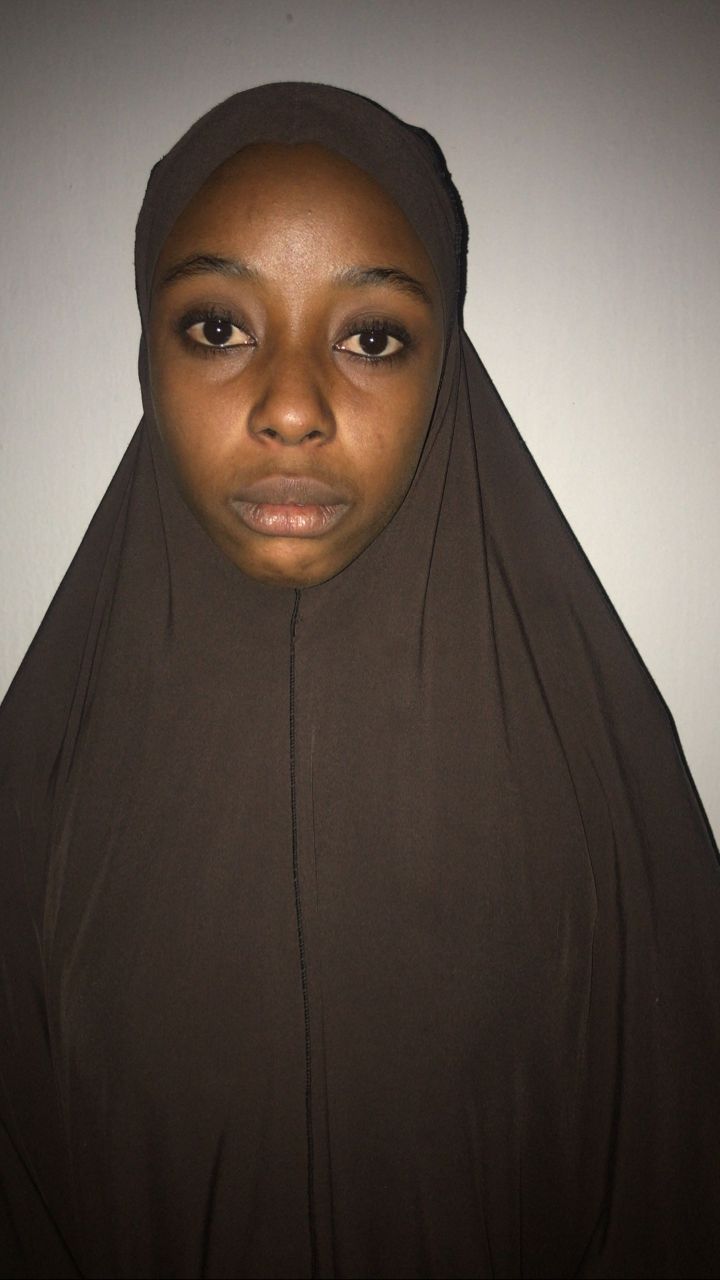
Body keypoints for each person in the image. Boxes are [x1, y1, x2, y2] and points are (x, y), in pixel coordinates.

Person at [1, 81, 718, 1280]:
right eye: (217, 327)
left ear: (447, 364)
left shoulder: (600, 783)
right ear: (145, 352)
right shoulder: (38, 797)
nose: (291, 407)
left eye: (372, 336)